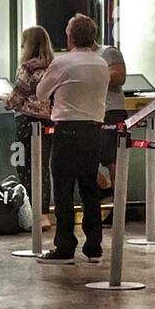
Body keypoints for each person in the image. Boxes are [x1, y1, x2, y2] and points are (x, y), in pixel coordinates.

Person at [35, 15, 110, 264]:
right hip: (93, 130)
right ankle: (94, 245)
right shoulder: (101, 64)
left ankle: (65, 246)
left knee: (64, 189)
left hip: (66, 130)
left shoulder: (62, 63)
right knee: (90, 188)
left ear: (71, 37)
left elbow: (41, 93)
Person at [4, 26, 55, 225]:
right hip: (49, 122)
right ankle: (44, 213)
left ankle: (33, 213)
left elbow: (17, 95)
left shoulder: (28, 67)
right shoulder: (53, 66)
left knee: (25, 167)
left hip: (27, 122)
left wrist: (5, 101)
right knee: (43, 167)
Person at [97, 40, 127, 202]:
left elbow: (120, 77)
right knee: (82, 156)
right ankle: (105, 187)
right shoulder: (78, 57)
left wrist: (93, 73)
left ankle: (119, 205)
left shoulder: (108, 52)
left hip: (111, 111)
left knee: (113, 160)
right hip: (91, 113)